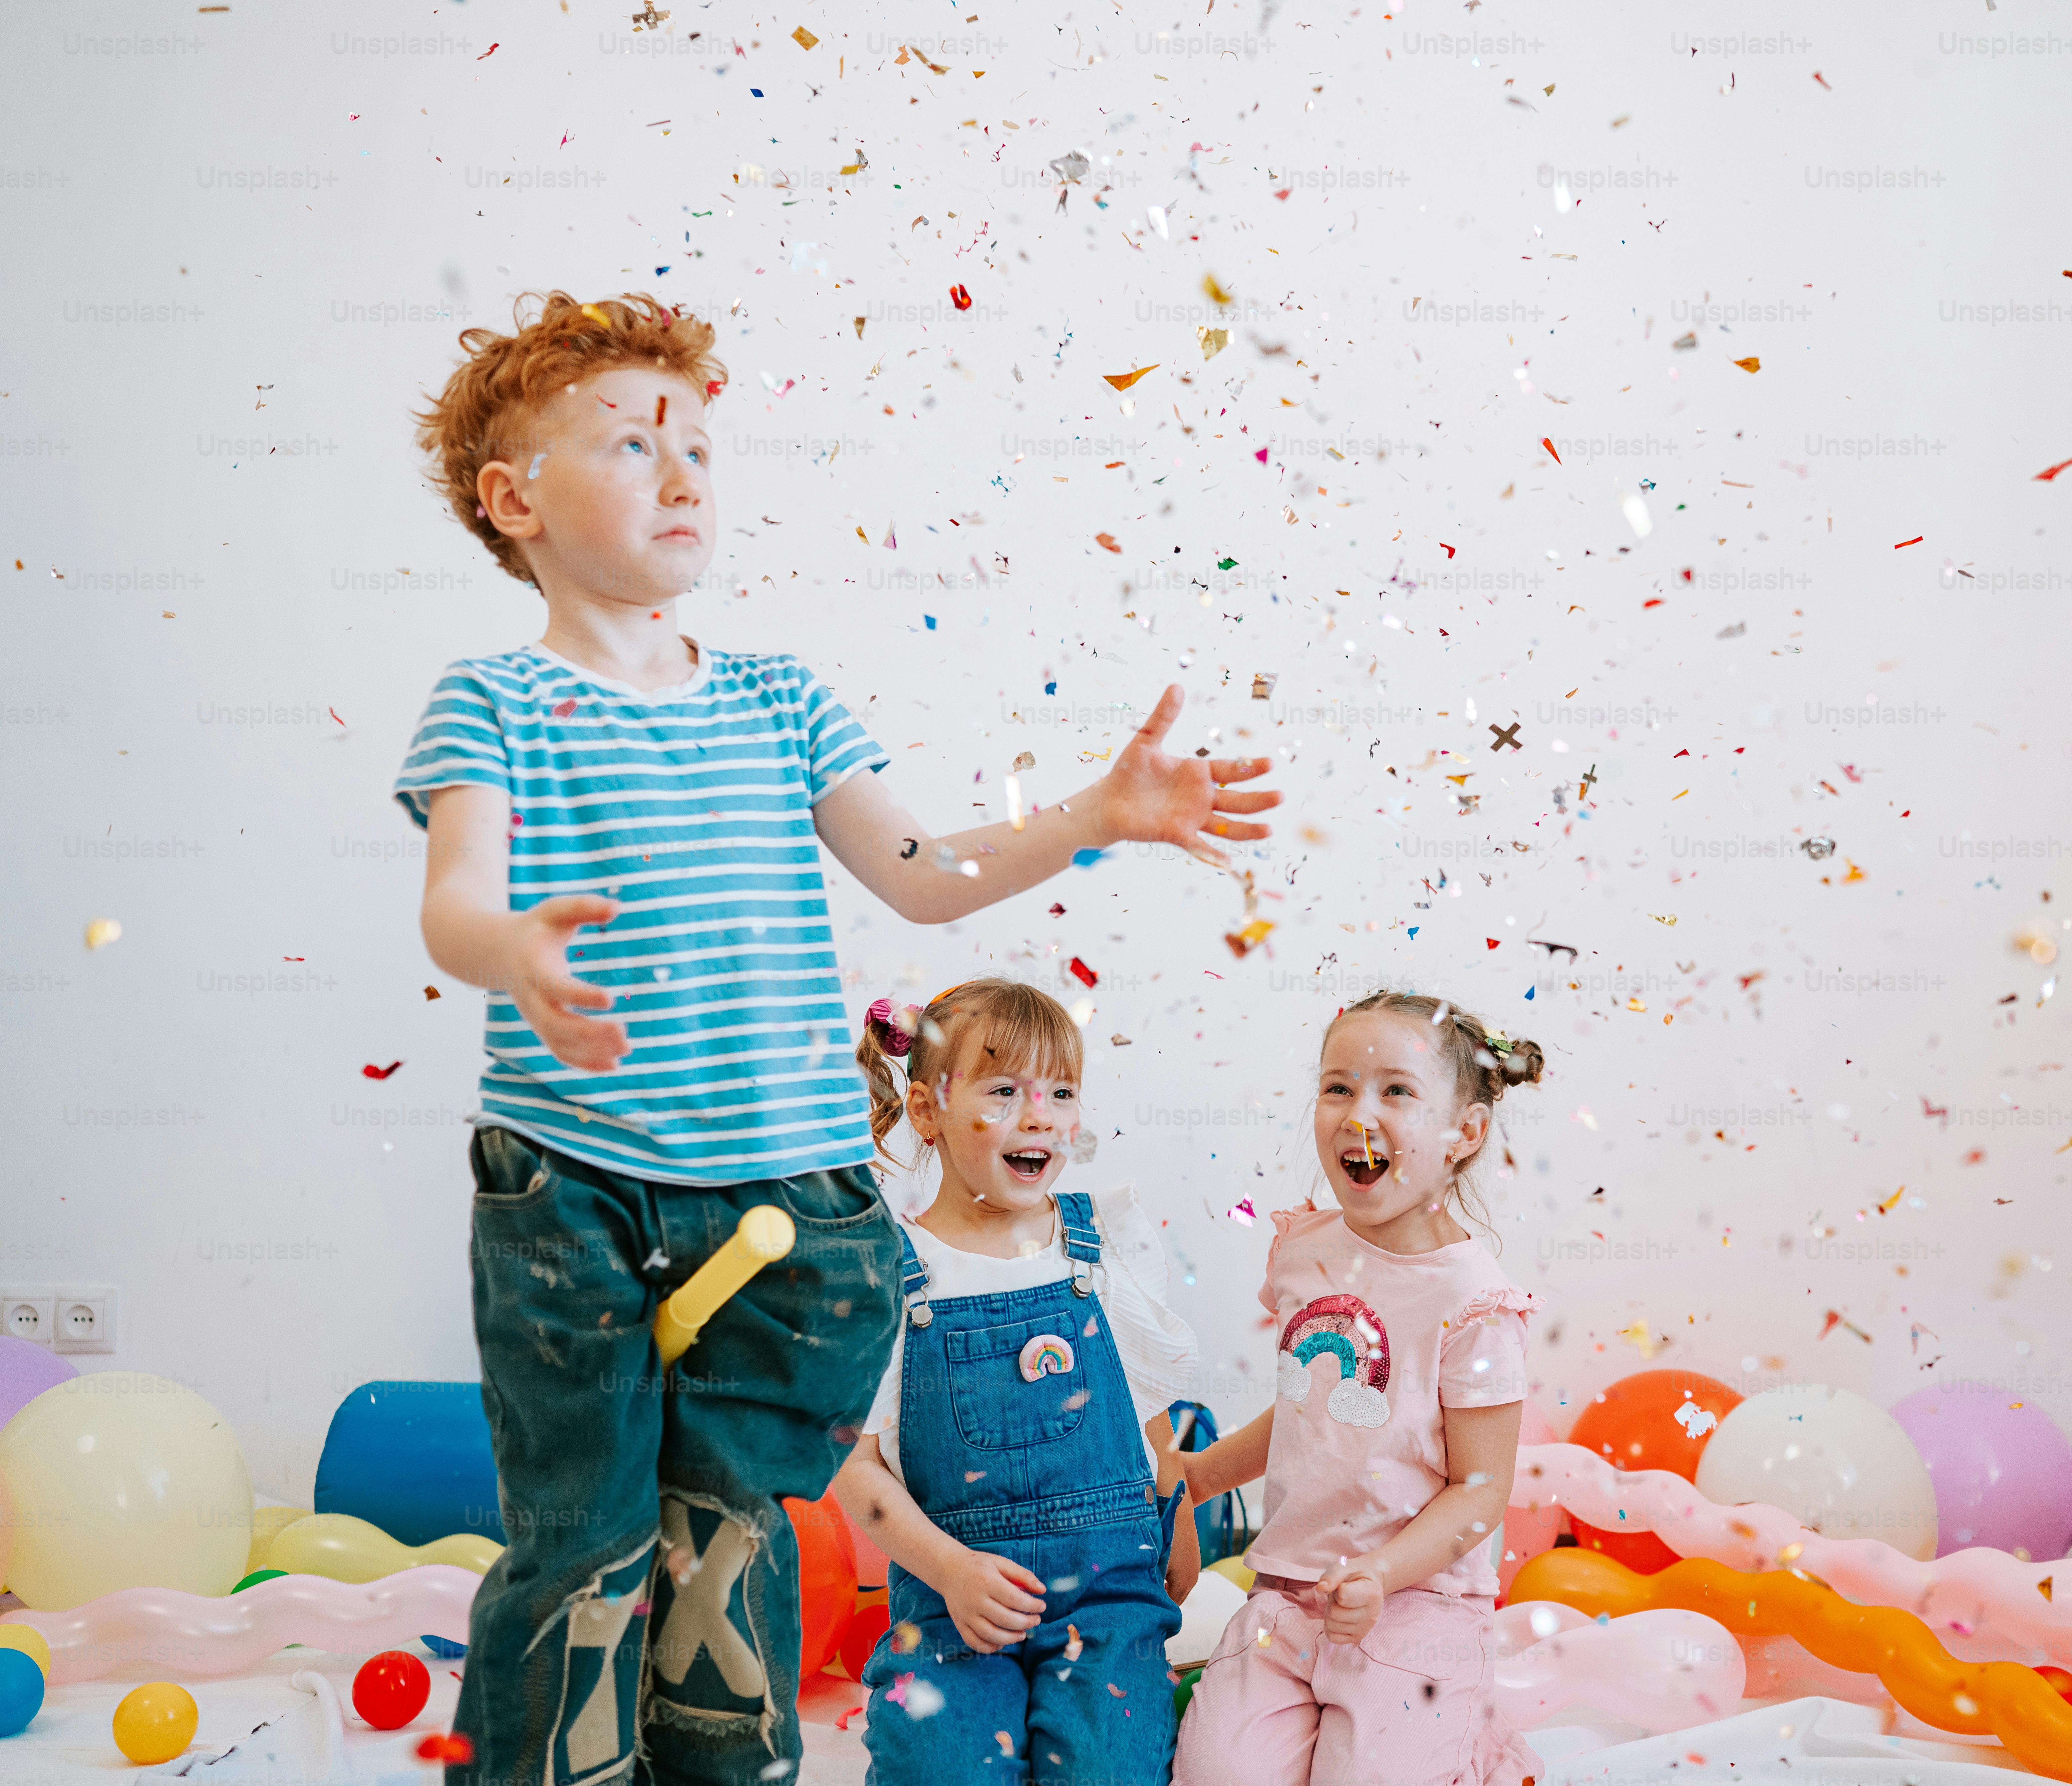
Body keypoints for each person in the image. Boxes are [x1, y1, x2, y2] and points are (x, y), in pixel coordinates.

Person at [394, 289, 1277, 1786]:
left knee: (730, 1533)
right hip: (574, 1186)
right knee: (582, 1539)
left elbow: (924, 875)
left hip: (787, 1203)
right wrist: (512, 950)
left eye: (697, 447)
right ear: (513, 499)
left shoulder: (778, 699)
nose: (683, 475)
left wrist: (1098, 814)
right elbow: (456, 900)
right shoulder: (494, 701)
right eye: (631, 445)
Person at [1167, 993, 1545, 1786]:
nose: (1357, 1113)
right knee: (1216, 1776)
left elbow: (1480, 1489)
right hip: (1288, 1593)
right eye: (1337, 1087)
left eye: (1396, 1090)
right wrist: (1201, 1475)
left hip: (1419, 1602)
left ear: (1465, 1133)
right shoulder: (1304, 1251)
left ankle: (1475, 1742)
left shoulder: (1473, 1302)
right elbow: (1309, 1410)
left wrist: (1380, 1573)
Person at [831, 979, 1201, 1786]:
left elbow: (1146, 1403)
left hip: (1107, 1597)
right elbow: (855, 1465)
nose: (1040, 1117)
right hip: (951, 1601)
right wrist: (948, 1569)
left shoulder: (1100, 1242)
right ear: (927, 1110)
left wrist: (1177, 1515)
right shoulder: (890, 1272)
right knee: (938, 1764)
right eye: (1004, 1092)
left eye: (1061, 1093)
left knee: (1110, 1766)